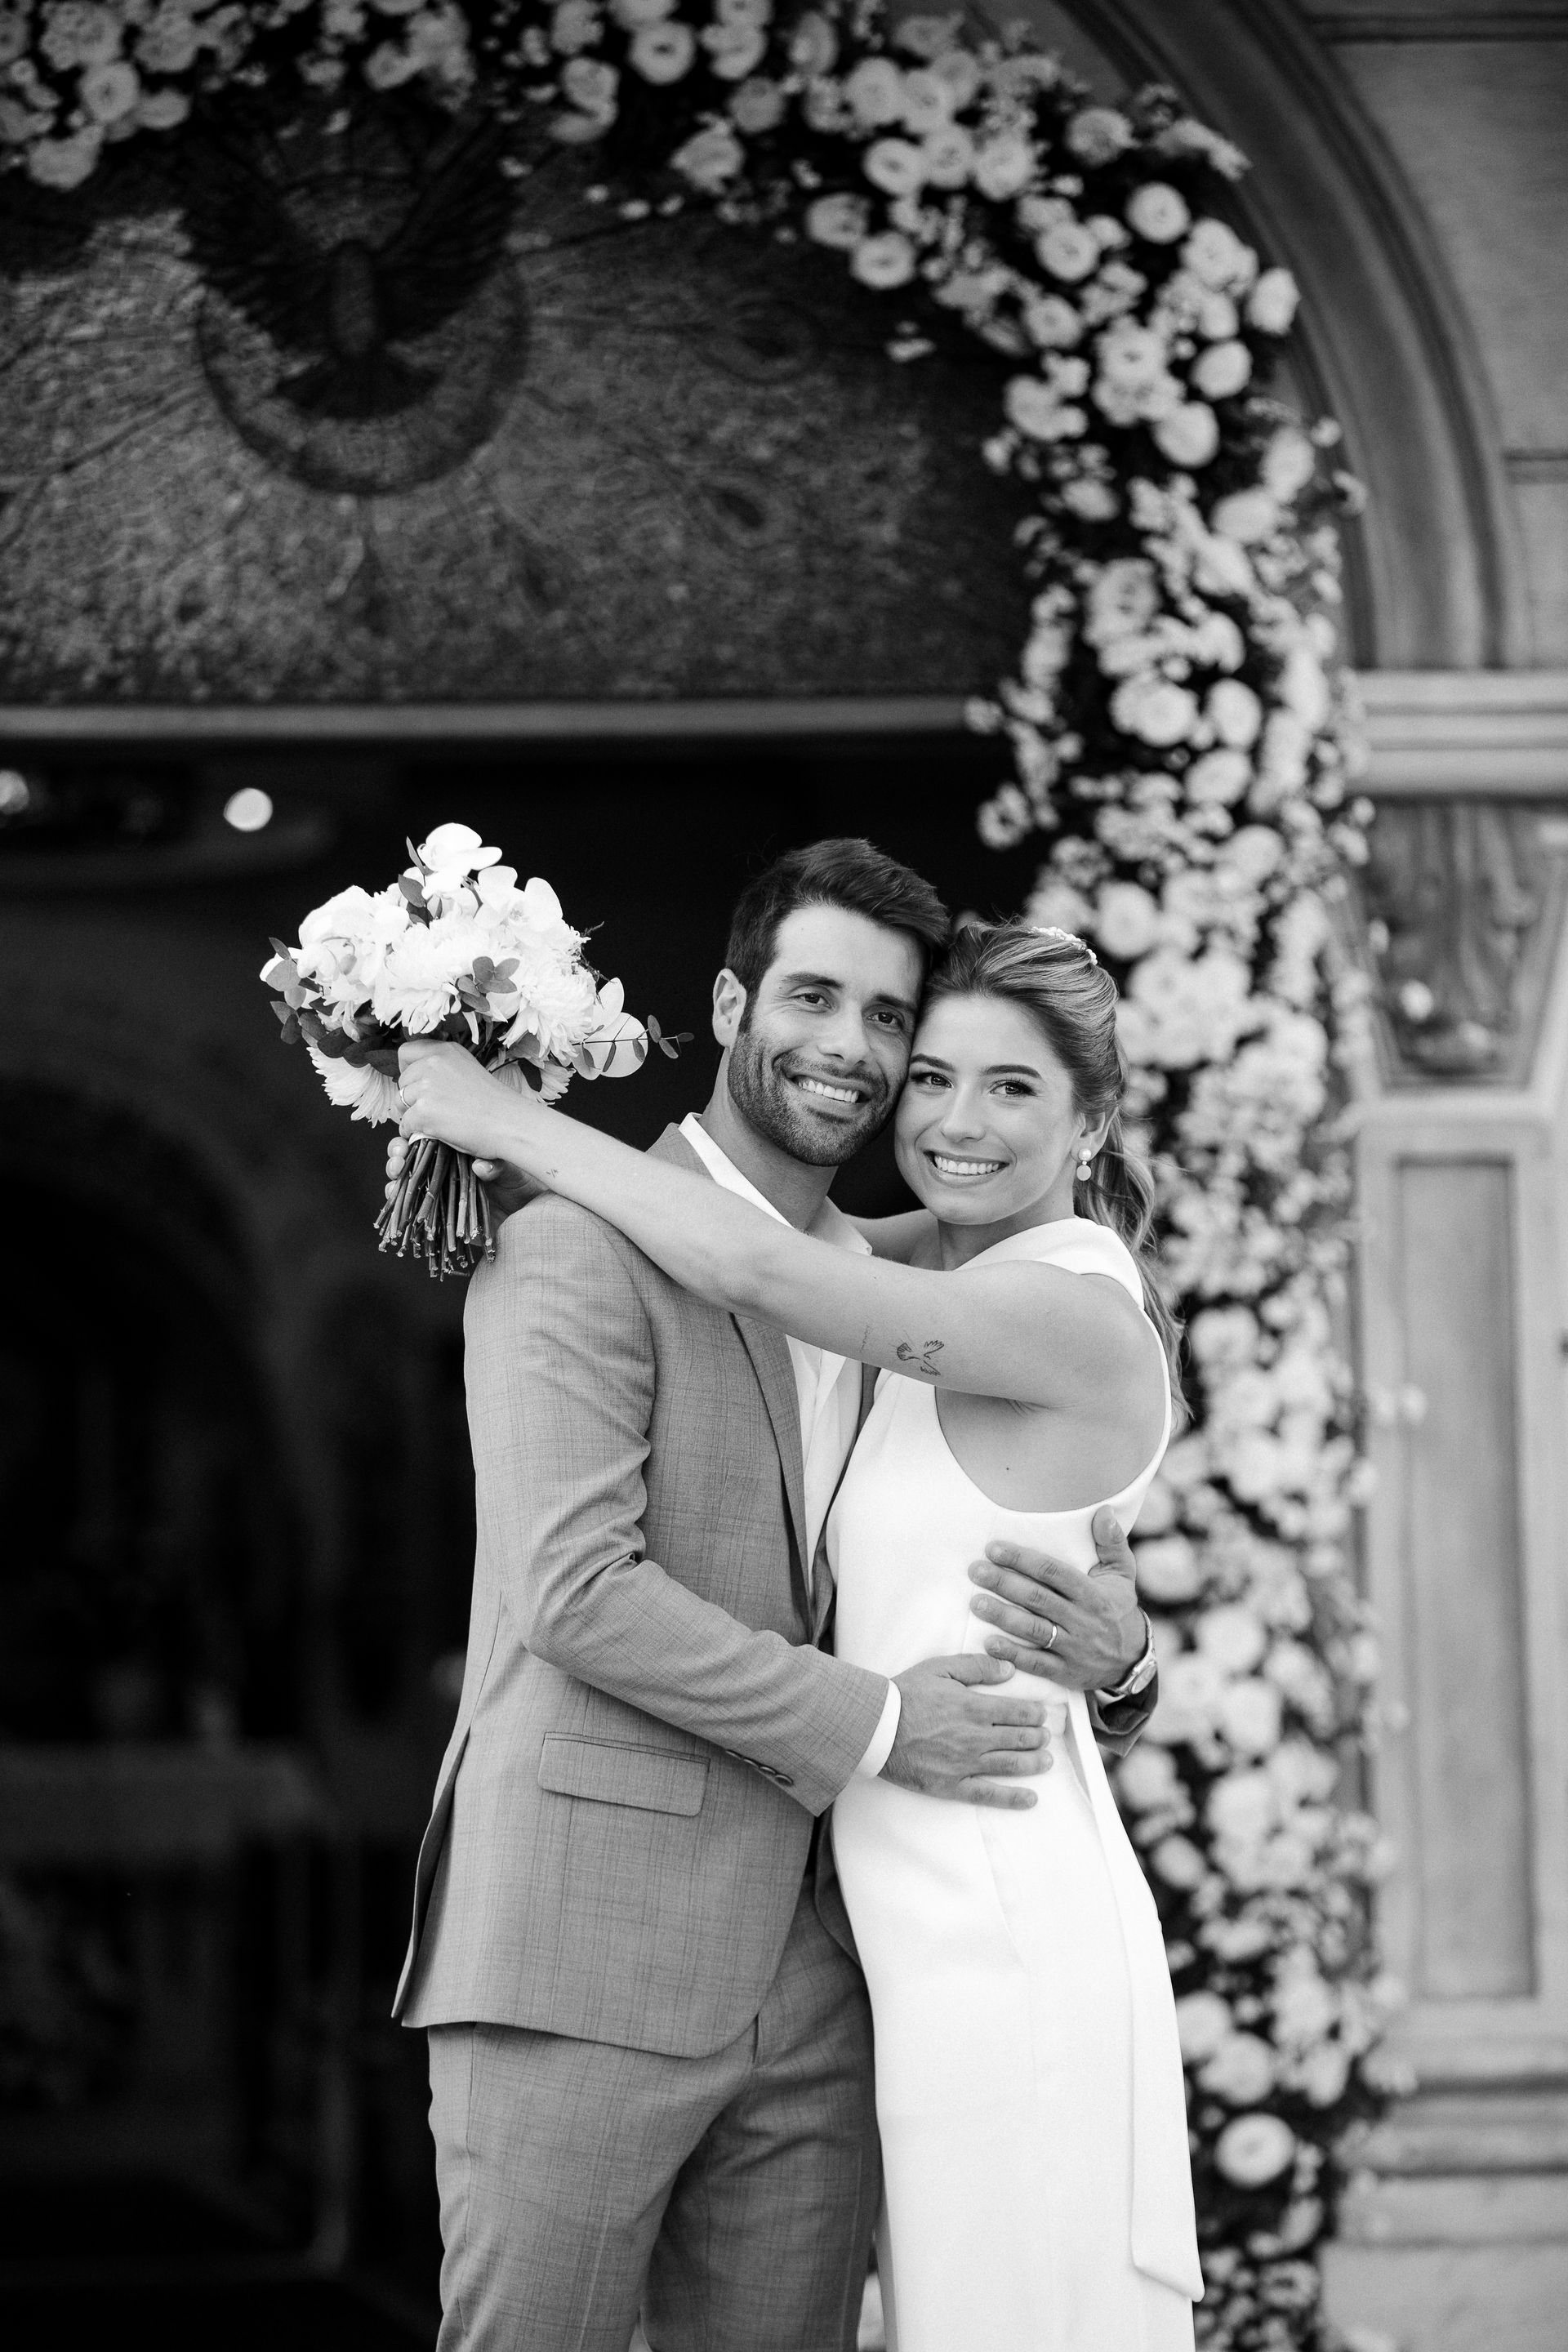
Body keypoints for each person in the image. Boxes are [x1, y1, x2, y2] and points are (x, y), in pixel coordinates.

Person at [397, 898, 1201, 2351]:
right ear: (727, 1006)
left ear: (1093, 1122)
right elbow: (575, 1586)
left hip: (932, 1932)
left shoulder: (1003, 1303)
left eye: (999, 1080)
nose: (943, 1110)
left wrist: (510, 1120)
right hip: (645, 1937)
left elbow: (767, 1269)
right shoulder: (881, 1267)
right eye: (932, 1070)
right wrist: (1115, 1666)